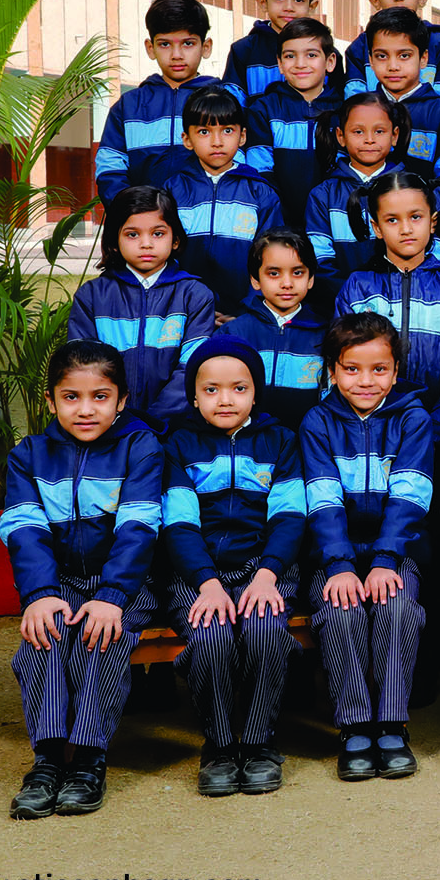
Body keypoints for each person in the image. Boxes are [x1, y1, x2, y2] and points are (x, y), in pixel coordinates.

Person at [1, 342, 163, 818]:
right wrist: (39, 595)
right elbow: (25, 530)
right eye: (71, 397)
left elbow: (138, 528)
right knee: (44, 635)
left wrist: (112, 596)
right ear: (50, 401)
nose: (86, 409)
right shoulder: (28, 455)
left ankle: (89, 761)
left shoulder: (140, 448)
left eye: (100, 397)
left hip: (126, 585)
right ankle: (49, 761)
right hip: (59, 581)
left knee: (101, 637)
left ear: (122, 400)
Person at [160, 336, 305, 798]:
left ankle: (260, 743)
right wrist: (206, 583)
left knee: (265, 631)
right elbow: (179, 526)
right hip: (198, 573)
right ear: (193, 396)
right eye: (211, 390)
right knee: (212, 636)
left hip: (264, 569)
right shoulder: (178, 445)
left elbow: (289, 517)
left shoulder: (281, 442)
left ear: (256, 393)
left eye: (239, 388)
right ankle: (220, 746)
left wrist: (268, 574)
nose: (225, 399)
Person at [300, 312, 434, 781]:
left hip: (395, 552)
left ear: (396, 372)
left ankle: (392, 726)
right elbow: (321, 499)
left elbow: (410, 497)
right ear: (332, 371)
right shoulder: (317, 421)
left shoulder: (414, 419)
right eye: (352, 369)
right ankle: (355, 727)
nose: (365, 381)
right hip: (333, 553)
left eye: (379, 369)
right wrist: (339, 564)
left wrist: (384, 560)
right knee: (340, 612)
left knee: (397, 609)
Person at [334, 172, 440, 437]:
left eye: (415, 217)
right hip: (366, 436)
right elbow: (339, 366)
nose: (406, 229)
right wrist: (364, 432)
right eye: (392, 220)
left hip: (437, 438)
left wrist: (431, 434)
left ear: (433, 221)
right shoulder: (357, 288)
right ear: (377, 227)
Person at [68, 185, 215, 429]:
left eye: (158, 233)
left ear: (175, 239)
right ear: (115, 241)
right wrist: (119, 419)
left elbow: (192, 368)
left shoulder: (195, 295)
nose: (146, 244)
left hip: (175, 429)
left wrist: (152, 422)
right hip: (109, 428)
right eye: (132, 234)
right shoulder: (92, 296)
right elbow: (84, 368)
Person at [156, 86, 282, 317]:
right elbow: (163, 256)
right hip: (182, 312)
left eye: (227, 130)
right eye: (204, 132)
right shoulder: (172, 190)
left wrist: (248, 312)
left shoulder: (260, 192)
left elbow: (272, 259)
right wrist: (183, 307)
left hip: (245, 314)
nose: (217, 142)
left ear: (242, 136)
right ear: (187, 139)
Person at [95, 0, 220, 200]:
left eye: (188, 43)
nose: (176, 55)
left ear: (205, 47)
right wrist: (130, 210)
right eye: (165, 44)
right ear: (150, 48)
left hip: (204, 218)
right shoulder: (129, 106)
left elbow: (237, 165)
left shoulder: (223, 100)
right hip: (143, 217)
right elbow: (110, 166)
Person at [304, 92, 408, 305]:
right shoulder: (323, 195)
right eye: (358, 131)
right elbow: (320, 260)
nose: (369, 139)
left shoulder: (412, 190)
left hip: (401, 304)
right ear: (341, 136)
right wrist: (355, 299)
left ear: (394, 135)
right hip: (343, 305)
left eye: (379, 131)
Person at [244, 16, 342, 232]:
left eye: (311, 55)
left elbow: (345, 172)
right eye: (290, 56)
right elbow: (260, 173)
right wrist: (278, 225)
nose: (300, 64)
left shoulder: (344, 111)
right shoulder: (264, 110)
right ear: (280, 63)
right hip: (279, 226)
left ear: (330, 61)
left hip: (333, 223)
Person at [228, 230, 325, 431]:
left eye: (297, 273)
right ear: (255, 280)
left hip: (305, 439)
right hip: (247, 441)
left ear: (310, 279)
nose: (287, 284)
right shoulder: (234, 333)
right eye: (274, 273)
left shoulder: (325, 334)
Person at [362, 5, 440, 181]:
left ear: (423, 58)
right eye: (382, 56)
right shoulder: (360, 111)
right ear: (370, 60)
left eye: (404, 56)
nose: (393, 66)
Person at [222, 0, 331, 103]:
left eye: (298, 0)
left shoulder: (323, 50)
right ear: (263, 3)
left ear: (312, 7)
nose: (289, 7)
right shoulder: (243, 50)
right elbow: (232, 103)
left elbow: (336, 100)